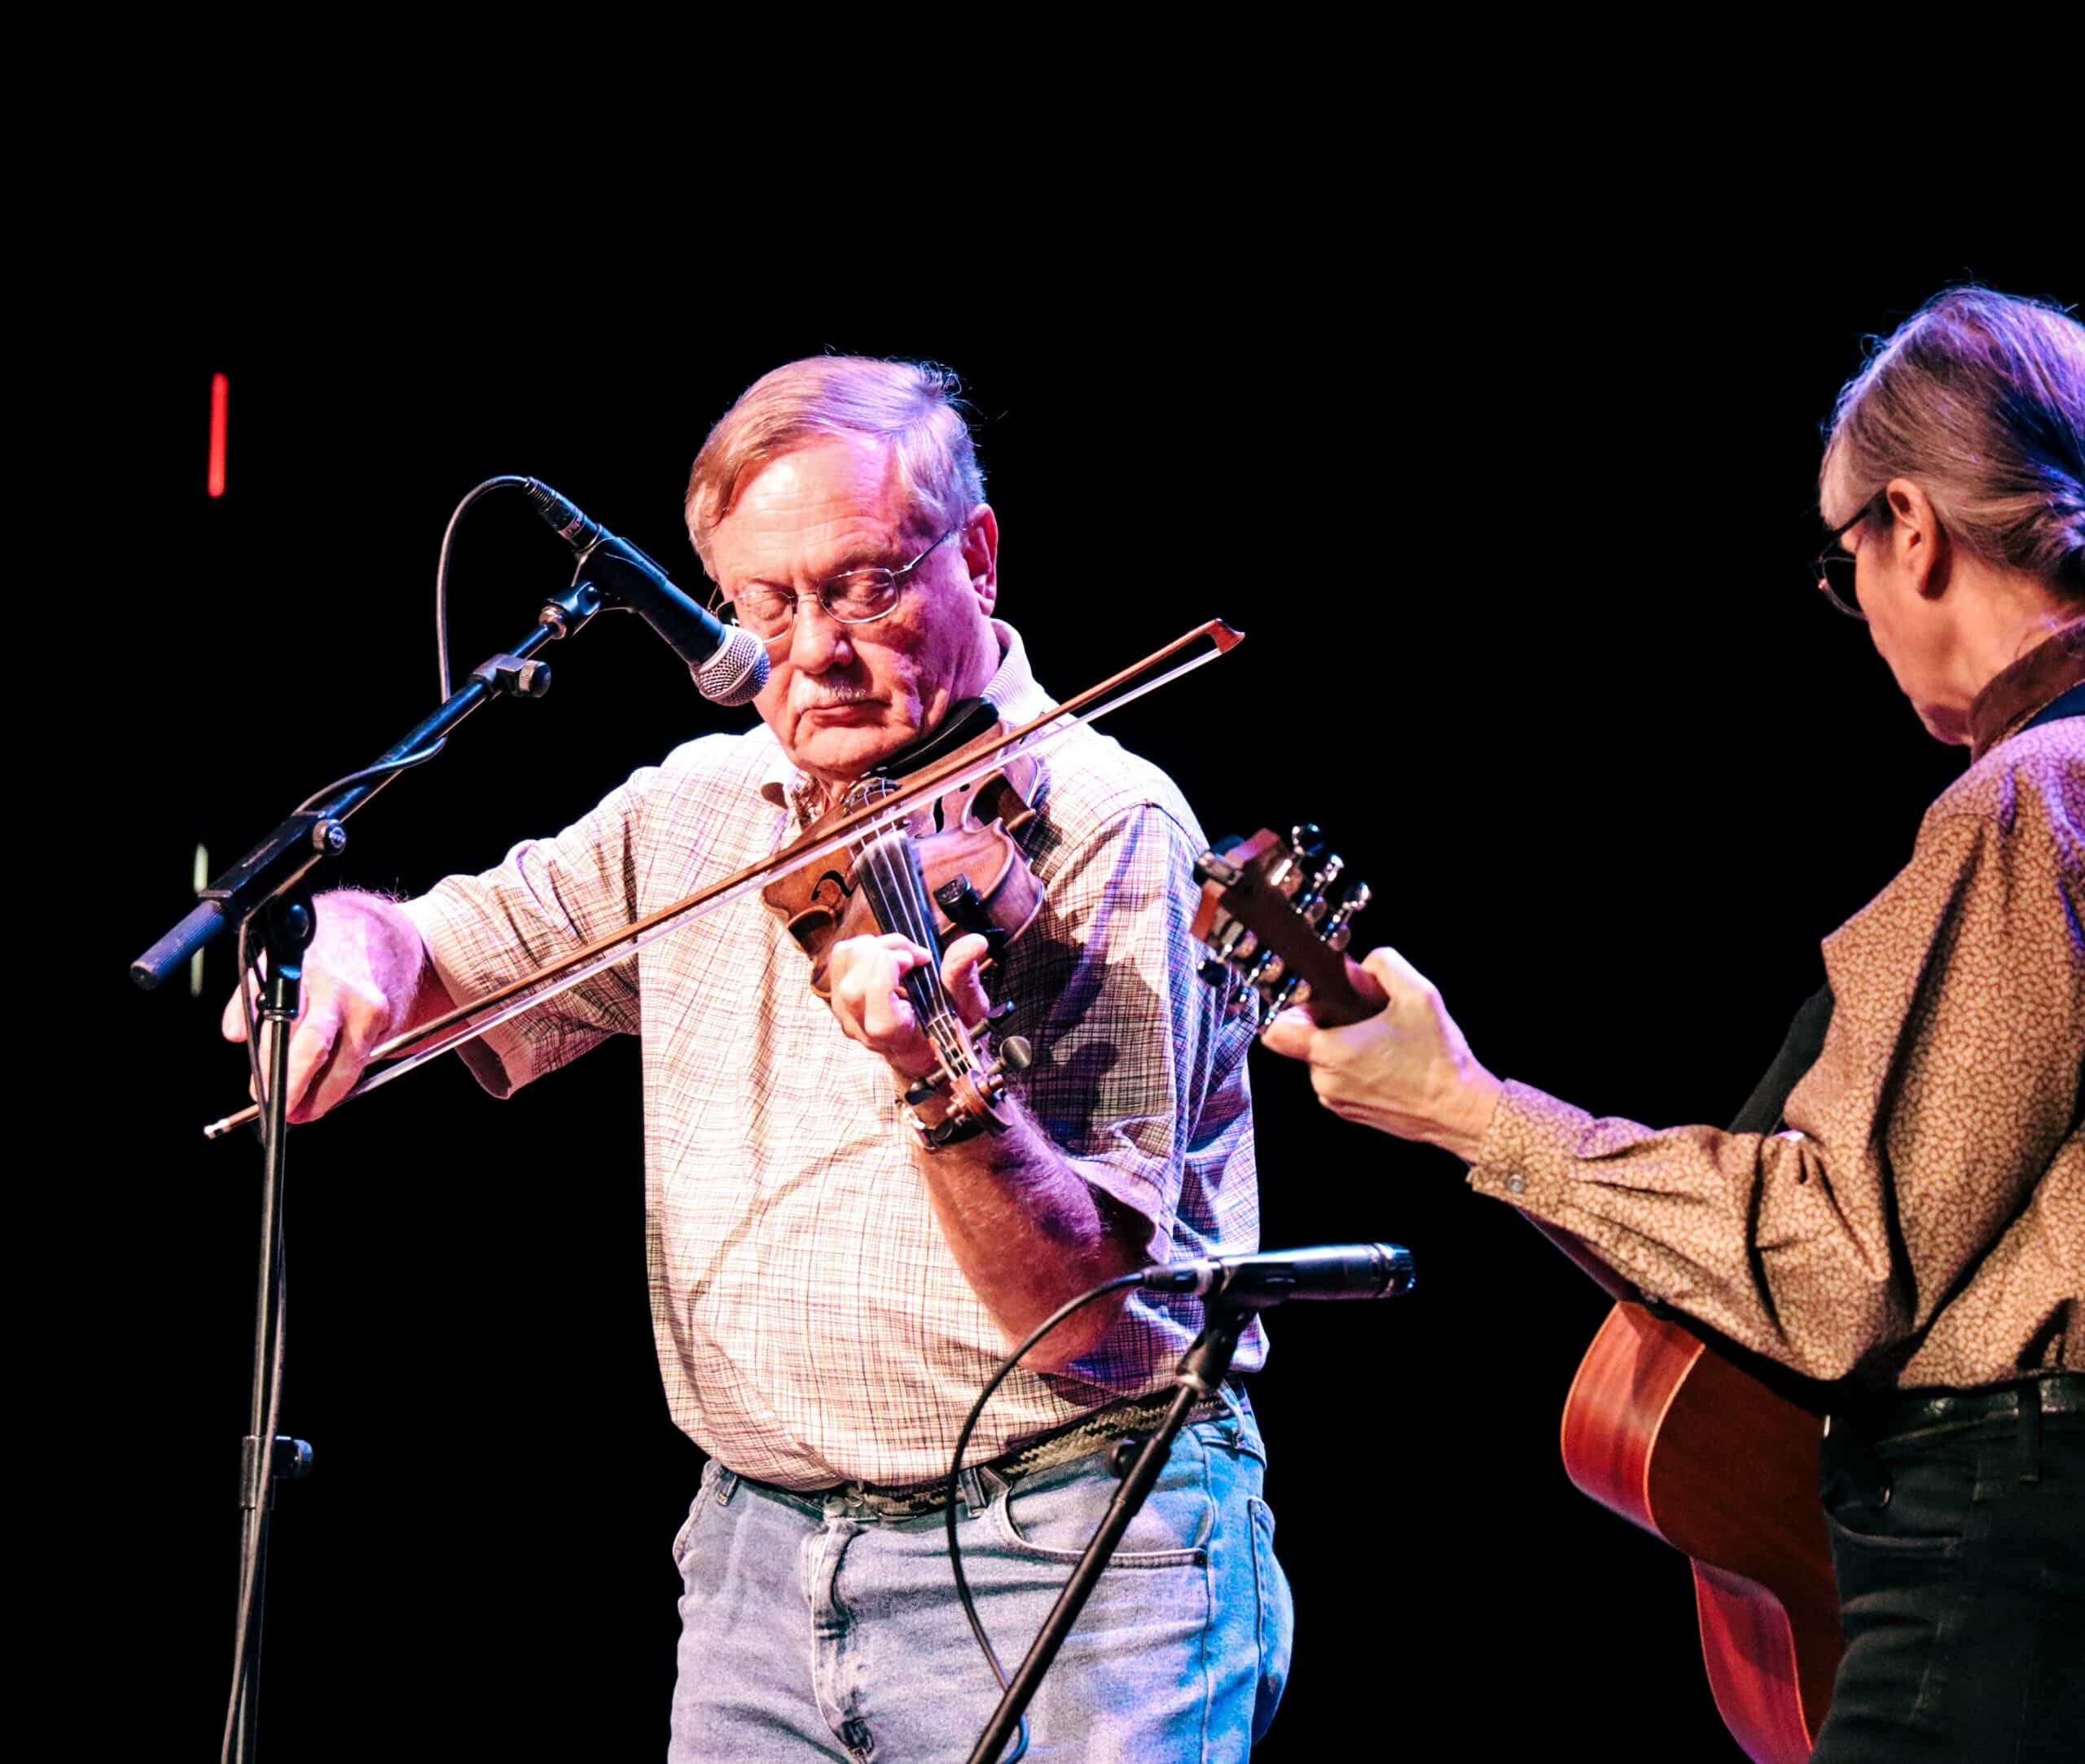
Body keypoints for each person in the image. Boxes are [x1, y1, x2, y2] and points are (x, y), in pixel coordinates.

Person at [224, 358, 1292, 1760]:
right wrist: (358, 949)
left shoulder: (1105, 824)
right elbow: (434, 950)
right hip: (757, 1564)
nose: (815, 653)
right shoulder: (699, 806)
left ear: (976, 555)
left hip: (1074, 1554)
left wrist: (940, 1075)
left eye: (862, 588)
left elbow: (1090, 1318)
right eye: (766, 605)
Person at [1262, 286, 2083, 1762]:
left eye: (1844, 565)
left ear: (1910, 527)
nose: (1860, 614)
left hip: (2008, 1555)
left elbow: (1836, 1270)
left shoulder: (2031, 800)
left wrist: (1466, 1106)